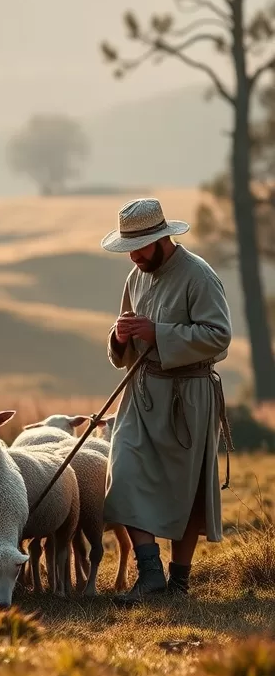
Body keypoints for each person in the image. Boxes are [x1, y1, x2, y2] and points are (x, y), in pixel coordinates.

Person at [101, 198, 232, 603]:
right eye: (129, 249)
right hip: (141, 394)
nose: (134, 257)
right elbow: (125, 347)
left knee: (185, 490)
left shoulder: (199, 275)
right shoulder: (136, 277)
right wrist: (120, 337)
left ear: (162, 239)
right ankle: (150, 574)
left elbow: (219, 336)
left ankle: (178, 583)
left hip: (188, 396)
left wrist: (159, 333)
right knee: (123, 473)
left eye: (140, 248)